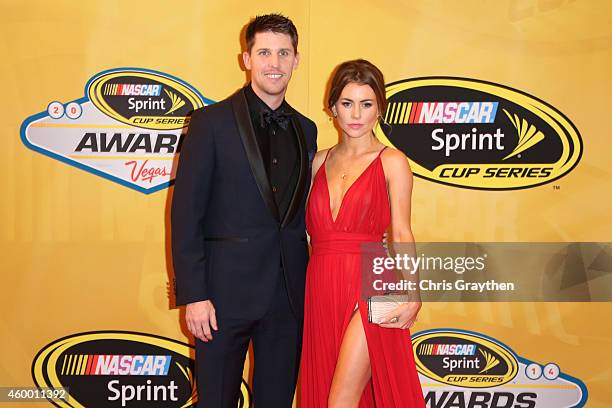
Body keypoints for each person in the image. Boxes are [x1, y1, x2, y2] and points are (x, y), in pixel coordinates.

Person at [171, 14, 317, 407]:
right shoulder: (209, 122)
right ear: (246, 58)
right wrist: (194, 295)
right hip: (221, 298)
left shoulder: (307, 129)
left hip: (287, 297)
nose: (275, 63)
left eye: (284, 53)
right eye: (265, 52)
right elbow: (185, 213)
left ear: (296, 60)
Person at [300, 59, 425, 407]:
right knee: (327, 391)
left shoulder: (392, 160)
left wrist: (412, 292)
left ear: (379, 109)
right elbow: (308, 236)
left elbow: (401, 230)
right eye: (347, 103)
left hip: (376, 286)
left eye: (366, 104)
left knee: (341, 399)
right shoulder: (318, 162)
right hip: (322, 285)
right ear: (333, 109)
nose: (356, 114)